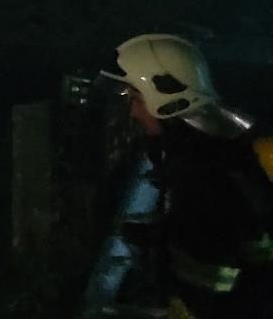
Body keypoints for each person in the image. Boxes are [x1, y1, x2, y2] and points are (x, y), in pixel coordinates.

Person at [101, 33, 273, 318]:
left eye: (136, 100)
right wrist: (160, 236)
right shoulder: (223, 150)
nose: (133, 112)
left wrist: (164, 253)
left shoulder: (199, 175)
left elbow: (211, 288)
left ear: (166, 102)